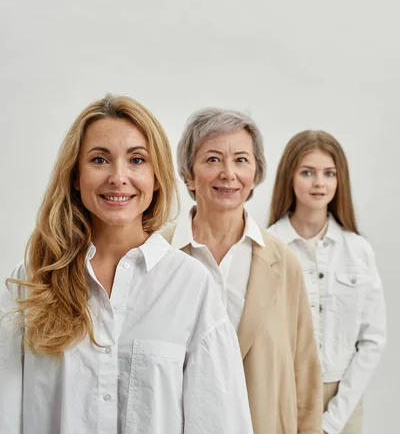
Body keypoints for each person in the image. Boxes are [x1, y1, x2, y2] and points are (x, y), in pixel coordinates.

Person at [0, 94, 253, 434]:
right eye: (100, 159)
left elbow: (219, 422)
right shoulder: (31, 279)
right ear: (76, 175)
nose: (119, 177)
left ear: (157, 176)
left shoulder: (192, 286)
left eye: (136, 160)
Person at [164, 108, 323, 434]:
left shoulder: (283, 263)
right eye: (212, 159)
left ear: (256, 173)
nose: (228, 173)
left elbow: (304, 370)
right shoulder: (157, 255)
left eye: (240, 160)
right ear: (188, 174)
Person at [268, 130, 386, 434]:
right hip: (280, 394)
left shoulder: (358, 250)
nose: (319, 182)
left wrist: (332, 419)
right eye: (307, 172)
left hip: (343, 399)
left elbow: (372, 338)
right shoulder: (268, 247)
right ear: (290, 178)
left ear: (339, 180)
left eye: (328, 173)